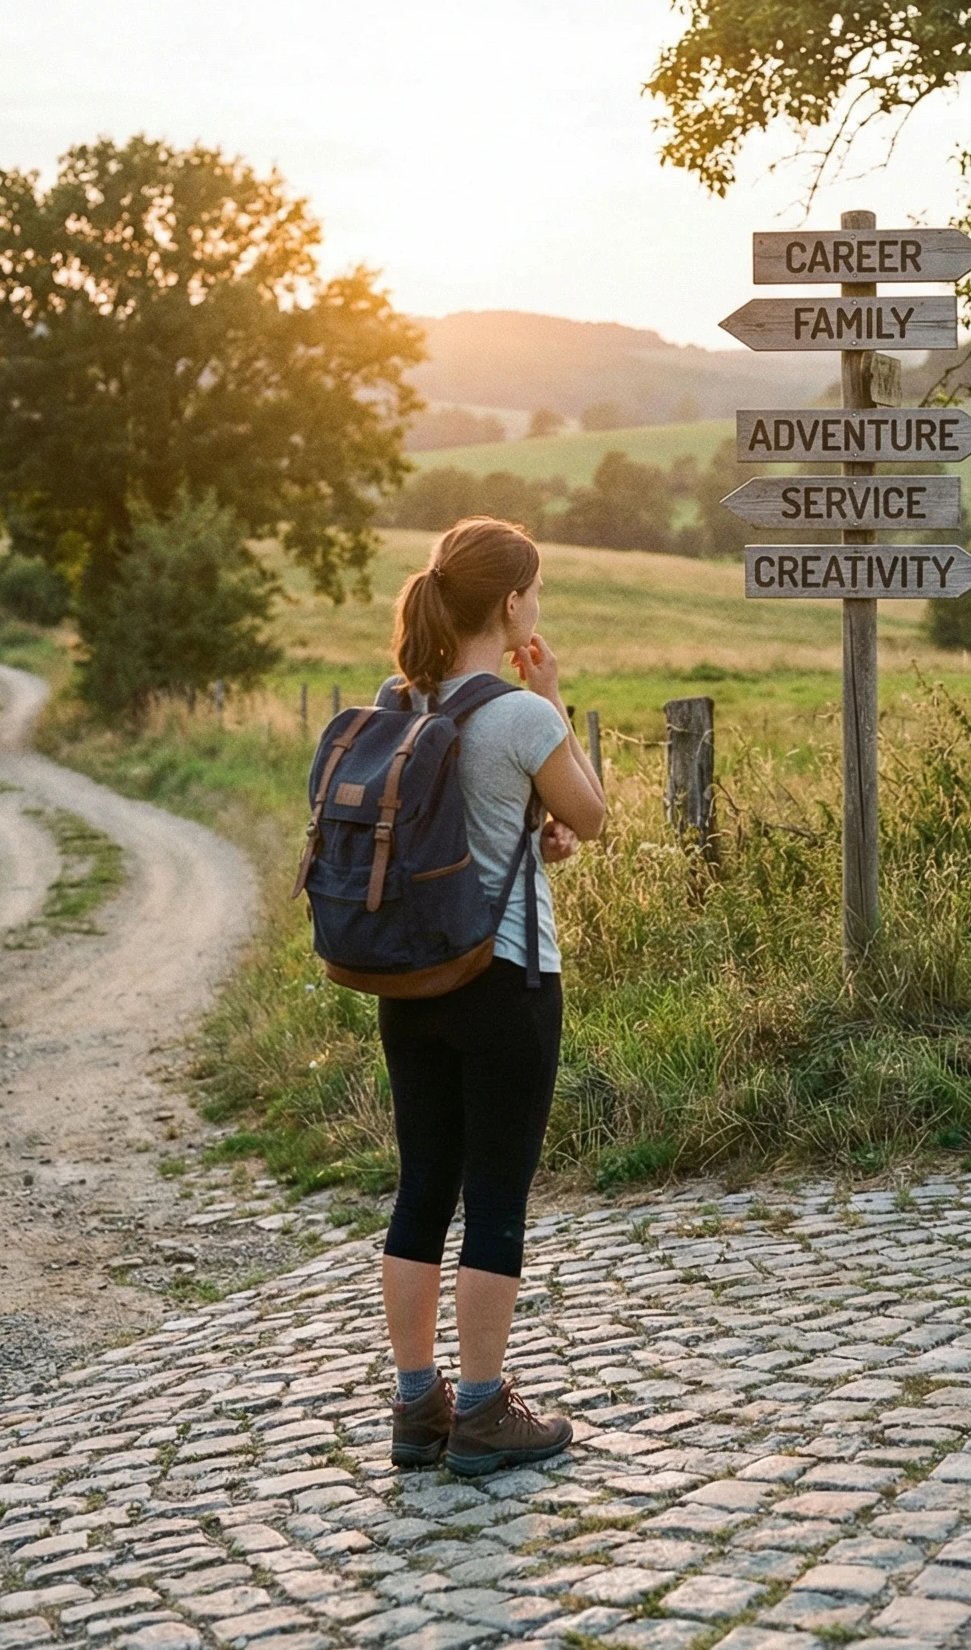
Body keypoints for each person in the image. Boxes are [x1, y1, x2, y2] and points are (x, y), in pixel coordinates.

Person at [376, 516, 607, 1474]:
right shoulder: (520, 713)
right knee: (497, 1191)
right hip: (506, 977)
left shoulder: (400, 701)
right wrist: (552, 698)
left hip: (408, 976)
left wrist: (530, 829)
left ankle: (415, 1405)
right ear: (511, 605)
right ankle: (483, 1411)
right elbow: (590, 815)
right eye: (536, 593)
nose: (538, 609)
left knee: (424, 1183)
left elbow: (479, 819)